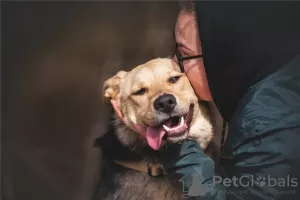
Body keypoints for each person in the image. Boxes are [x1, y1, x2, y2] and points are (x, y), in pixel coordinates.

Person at [107, 1, 300, 199]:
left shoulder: (269, 122)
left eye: (185, 55)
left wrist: (175, 149)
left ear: (221, 57)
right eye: (178, 53)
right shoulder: (269, 93)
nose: (179, 65)